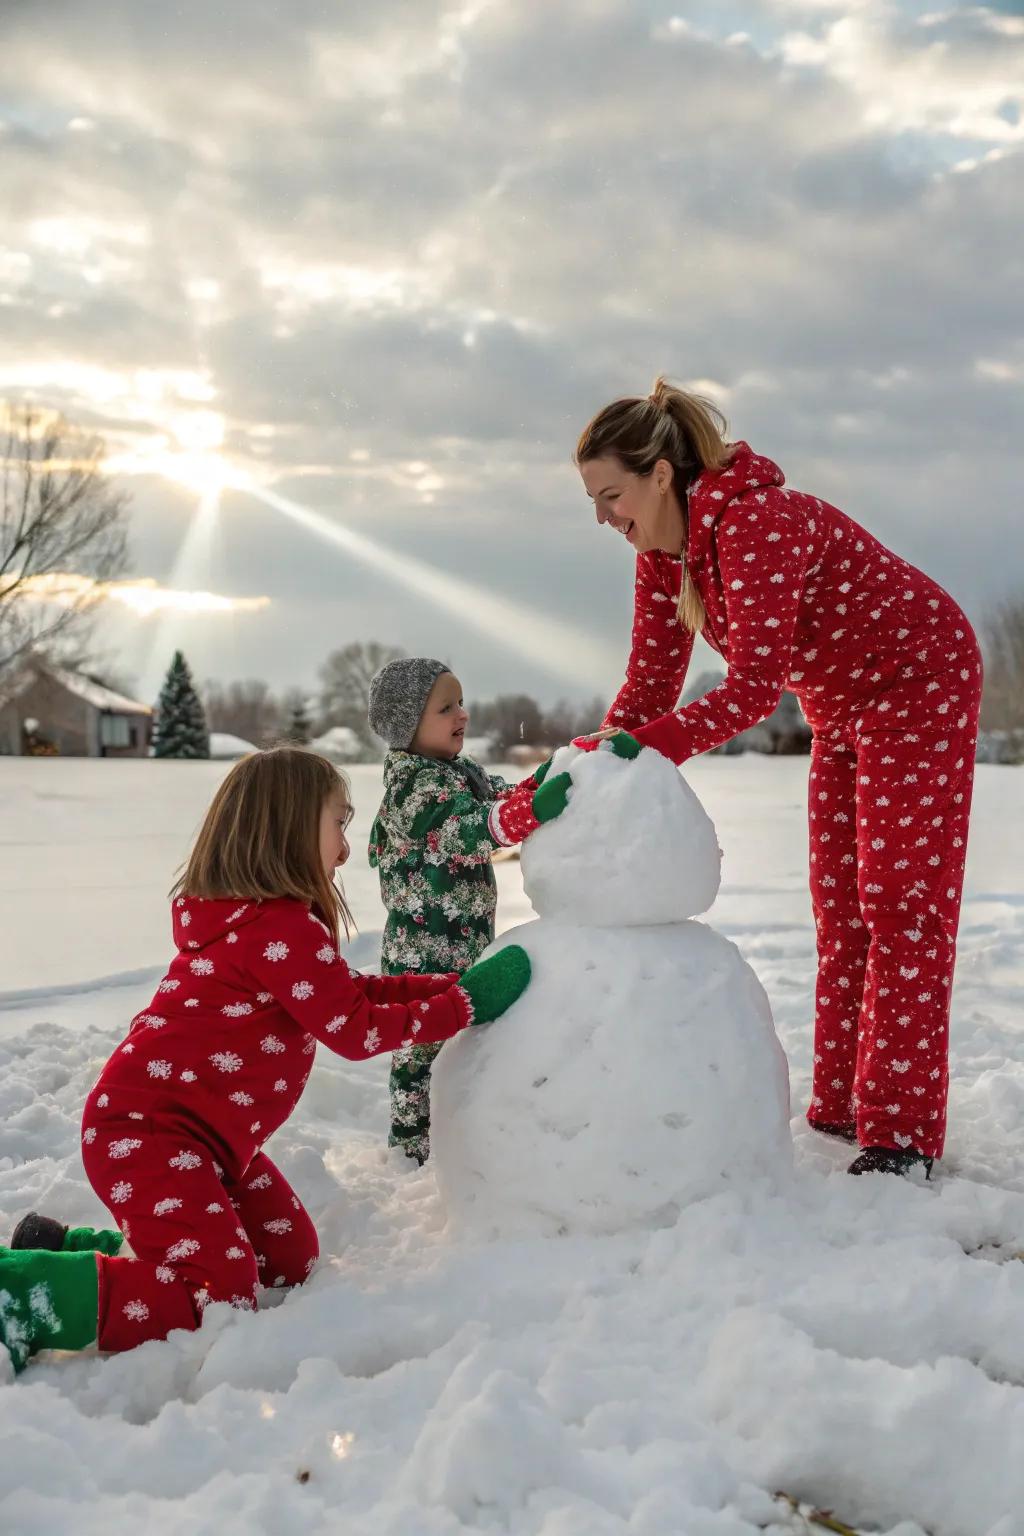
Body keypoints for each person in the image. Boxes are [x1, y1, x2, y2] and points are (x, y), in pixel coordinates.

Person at [0, 747, 531, 1375]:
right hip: (149, 1137)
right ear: (289, 825)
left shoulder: (271, 925)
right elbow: (355, 1030)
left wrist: (451, 986)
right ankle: (24, 1292)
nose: (346, 847)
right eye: (339, 823)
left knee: (288, 1260)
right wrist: (464, 1006)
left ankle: (73, 1250)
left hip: (211, 1145)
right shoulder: (273, 928)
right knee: (217, 1297)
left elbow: (351, 994)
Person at [574, 377, 982, 1177]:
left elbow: (754, 690)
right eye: (592, 501)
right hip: (838, 703)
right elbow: (650, 689)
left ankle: (899, 1134)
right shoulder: (661, 557)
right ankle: (842, 1106)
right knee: (841, 904)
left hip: (917, 680)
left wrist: (640, 751)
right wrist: (596, 759)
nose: (603, 518)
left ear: (662, 475)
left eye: (611, 495)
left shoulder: (756, 522)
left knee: (898, 901)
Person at [368, 657, 572, 1163]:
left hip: (466, 940)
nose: (462, 714)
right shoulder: (412, 789)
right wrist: (532, 812)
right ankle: (412, 1146)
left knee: (463, 1040)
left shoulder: (459, 771)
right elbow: (471, 828)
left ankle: (467, 1123)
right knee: (420, 1052)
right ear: (408, 724)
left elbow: (502, 798)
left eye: (460, 702)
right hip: (419, 952)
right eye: (445, 708)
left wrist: (549, 778)